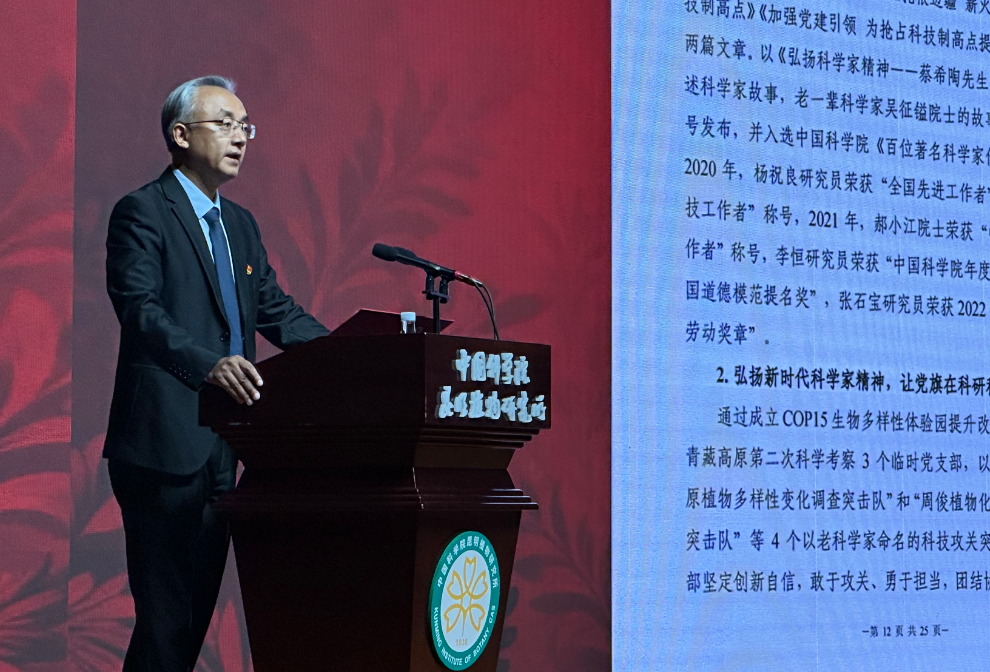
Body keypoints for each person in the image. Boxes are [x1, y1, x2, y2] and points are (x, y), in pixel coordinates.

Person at [103, 75, 329, 672]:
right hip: (161, 446)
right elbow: (140, 310)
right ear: (180, 135)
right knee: (164, 623)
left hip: (224, 448)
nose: (240, 137)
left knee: (189, 627)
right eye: (225, 124)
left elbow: (276, 311)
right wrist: (210, 366)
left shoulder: (241, 225)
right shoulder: (142, 212)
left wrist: (353, 355)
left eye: (245, 126)